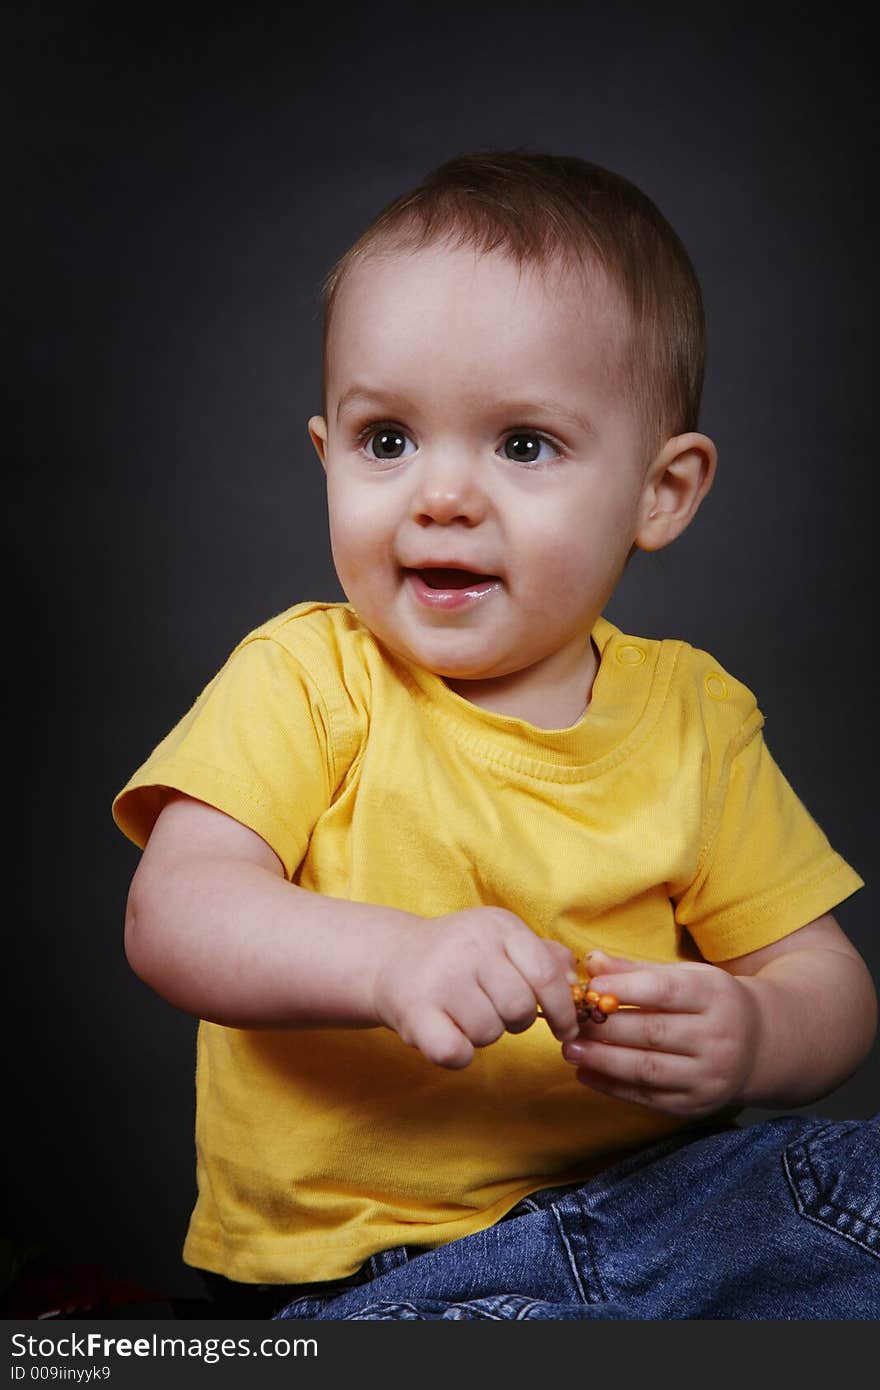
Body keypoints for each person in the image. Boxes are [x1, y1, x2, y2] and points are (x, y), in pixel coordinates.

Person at [112, 151, 878, 1320]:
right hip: (376, 1276)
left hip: (660, 1218)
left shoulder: (693, 717)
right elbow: (175, 911)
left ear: (658, 493)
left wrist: (760, 1034)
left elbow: (828, 982)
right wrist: (389, 960)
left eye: (521, 444)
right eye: (386, 441)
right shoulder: (310, 678)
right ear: (325, 458)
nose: (440, 497)